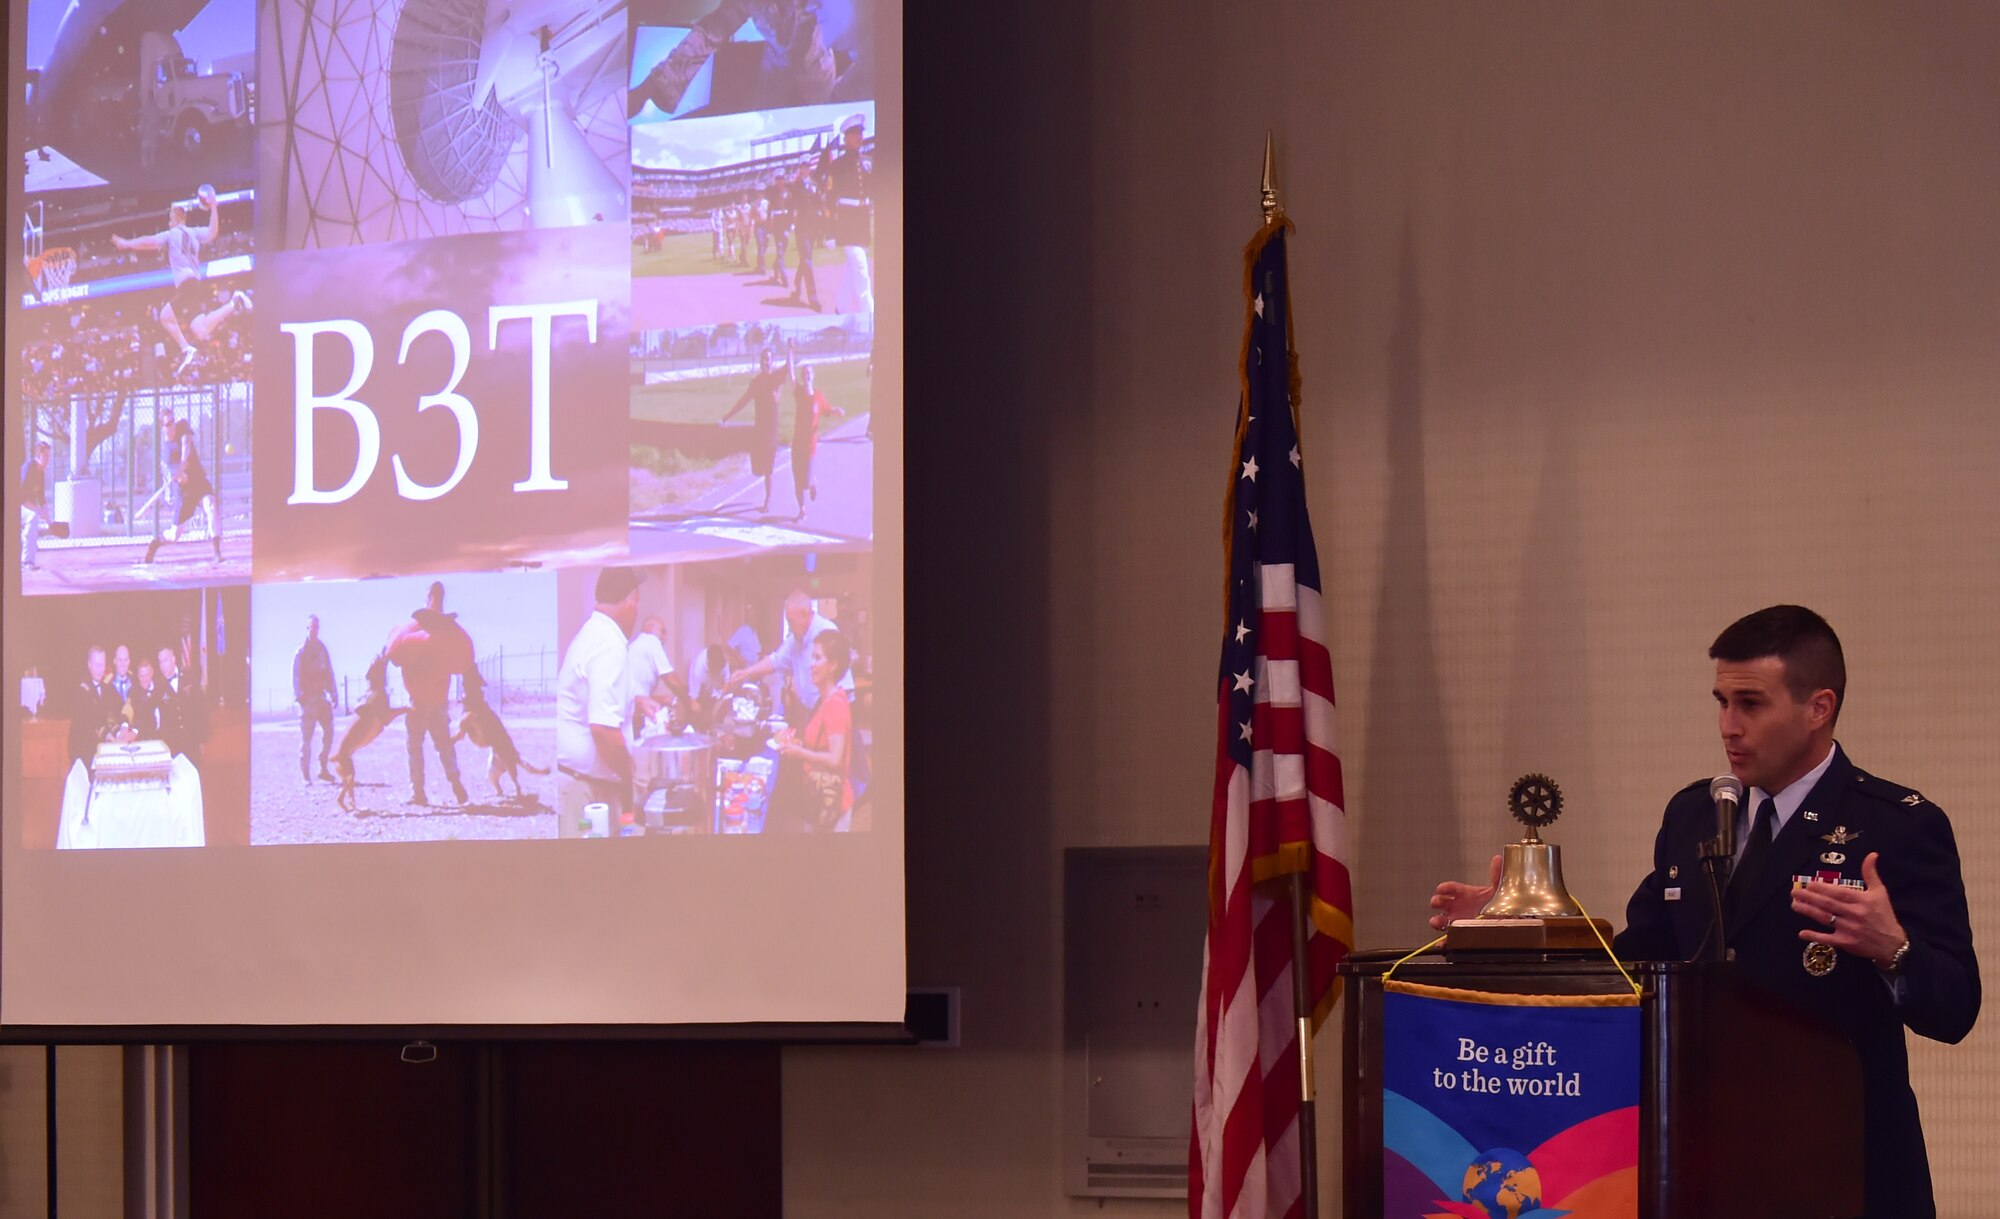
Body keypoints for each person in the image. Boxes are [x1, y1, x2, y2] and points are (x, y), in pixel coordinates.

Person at [1430, 606, 1978, 1219]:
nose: (1728, 726)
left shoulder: (1897, 825)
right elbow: (1641, 959)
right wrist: (1519, 927)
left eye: (1750, 703)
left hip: (1842, 1163)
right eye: (1721, 701)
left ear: (1818, 708)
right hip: (1701, 1158)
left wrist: (1892, 949)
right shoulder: (1696, 815)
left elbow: (1955, 1008)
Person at [110, 193, 250, 377]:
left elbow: (149, 242)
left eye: (170, 219)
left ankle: (186, 349)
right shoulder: (194, 232)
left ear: (177, 218)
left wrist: (127, 243)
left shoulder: (171, 234)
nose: (168, 222)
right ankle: (234, 303)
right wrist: (214, 208)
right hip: (195, 285)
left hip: (187, 286)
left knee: (164, 316)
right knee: (201, 330)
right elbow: (212, 232)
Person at [556, 568, 641, 834]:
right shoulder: (610, 644)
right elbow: (603, 730)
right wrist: (634, 779)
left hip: (578, 782)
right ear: (630, 602)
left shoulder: (592, 633)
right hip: (586, 791)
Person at [384, 582, 474, 807]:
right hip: (438, 702)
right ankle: (455, 784)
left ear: (426, 600)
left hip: (419, 704)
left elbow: (394, 656)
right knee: (444, 744)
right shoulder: (448, 636)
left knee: (415, 746)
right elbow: (463, 662)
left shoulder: (415, 633)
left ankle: (418, 793)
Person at [731, 590, 854, 721]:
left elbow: (843, 685)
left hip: (832, 710)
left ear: (804, 615)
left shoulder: (826, 631)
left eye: (791, 622)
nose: (789, 628)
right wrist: (746, 673)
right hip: (812, 710)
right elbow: (776, 661)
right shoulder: (795, 638)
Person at [776, 627, 853, 830]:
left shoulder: (835, 704)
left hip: (831, 802)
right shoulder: (825, 700)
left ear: (833, 665)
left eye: (817, 658)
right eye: (811, 658)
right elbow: (820, 743)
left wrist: (799, 752)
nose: (810, 665)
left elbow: (835, 759)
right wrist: (798, 744)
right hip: (817, 797)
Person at [719, 347, 791, 513]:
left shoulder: (776, 377)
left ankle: (768, 500)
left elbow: (788, 366)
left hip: (772, 430)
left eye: (769, 359)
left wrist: (790, 349)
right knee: (758, 469)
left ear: (772, 361)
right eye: (764, 359)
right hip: (759, 429)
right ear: (760, 362)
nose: (766, 362)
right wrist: (727, 416)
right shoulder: (756, 382)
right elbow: (744, 400)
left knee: (768, 469)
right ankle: (766, 487)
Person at [143, 419, 223, 564]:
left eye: (172, 421)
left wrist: (183, 461)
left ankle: (217, 552)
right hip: (185, 492)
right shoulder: (167, 453)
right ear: (162, 428)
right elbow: (184, 480)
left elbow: (187, 442)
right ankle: (156, 543)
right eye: (167, 424)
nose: (171, 425)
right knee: (174, 535)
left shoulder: (182, 427)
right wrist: (180, 474)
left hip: (200, 481)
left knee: (211, 506)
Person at [786, 340, 844, 521]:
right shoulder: (799, 392)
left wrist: (836, 411)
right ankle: (802, 509)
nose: (806, 375)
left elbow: (827, 410)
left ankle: (812, 483)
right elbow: (790, 373)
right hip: (797, 445)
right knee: (796, 480)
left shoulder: (819, 397)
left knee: (805, 482)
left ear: (814, 376)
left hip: (810, 447)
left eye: (809, 372)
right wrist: (789, 352)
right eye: (804, 373)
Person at [826, 112, 873, 316]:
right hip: (846, 222)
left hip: (863, 219)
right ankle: (869, 313)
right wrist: (829, 232)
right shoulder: (837, 166)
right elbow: (828, 200)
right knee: (861, 268)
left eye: (861, 133)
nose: (860, 137)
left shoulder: (868, 161)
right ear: (845, 138)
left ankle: (841, 307)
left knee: (851, 269)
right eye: (854, 133)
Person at [294, 615, 336, 783]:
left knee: (329, 733)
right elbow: (296, 675)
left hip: (321, 698)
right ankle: (305, 775)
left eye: (316, 627)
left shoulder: (322, 649)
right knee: (307, 739)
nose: (314, 630)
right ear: (307, 628)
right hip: (307, 701)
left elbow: (329, 671)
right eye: (312, 627)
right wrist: (300, 696)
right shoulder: (301, 652)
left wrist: (333, 693)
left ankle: (323, 768)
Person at [153, 644, 206, 765]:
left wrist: (202, 740)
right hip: (173, 746)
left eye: (165, 660)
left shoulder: (190, 678)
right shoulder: (159, 687)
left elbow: (201, 710)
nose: (163, 666)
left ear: (173, 659)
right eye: (160, 662)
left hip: (192, 742)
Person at [68, 645, 119, 767]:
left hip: (99, 749)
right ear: (89, 665)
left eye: (102, 665)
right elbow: (89, 722)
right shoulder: (81, 690)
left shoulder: (106, 688)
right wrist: (108, 736)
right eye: (96, 665)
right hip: (82, 751)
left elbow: (111, 714)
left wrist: (118, 731)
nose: (100, 670)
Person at [19, 440, 51, 572]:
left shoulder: (41, 473)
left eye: (49, 456)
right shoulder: (29, 467)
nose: (48, 460)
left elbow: (42, 498)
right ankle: (27, 561)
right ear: (38, 455)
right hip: (14, 505)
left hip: (25, 506)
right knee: (32, 516)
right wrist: (37, 510)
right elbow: (20, 496)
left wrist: (50, 521)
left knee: (33, 518)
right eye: (45, 456)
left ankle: (27, 558)